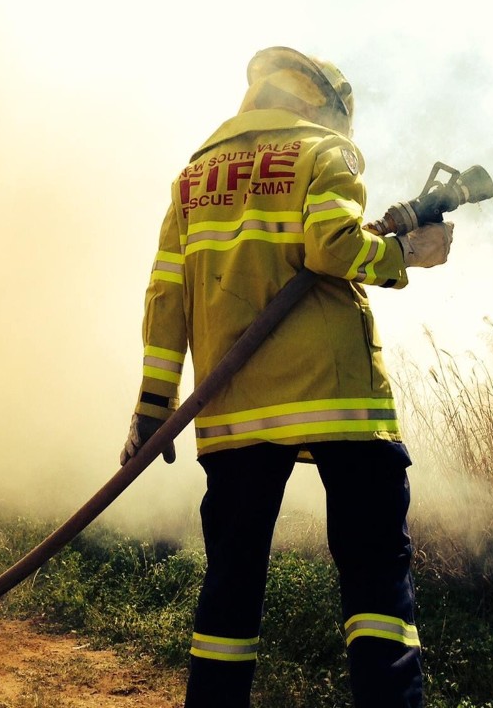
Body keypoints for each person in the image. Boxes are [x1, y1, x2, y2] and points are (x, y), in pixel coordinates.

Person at [119, 47, 454, 708]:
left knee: (231, 583)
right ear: (327, 106)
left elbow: (166, 298)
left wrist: (152, 408)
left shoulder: (193, 177)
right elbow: (331, 245)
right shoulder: (324, 151)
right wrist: (404, 253)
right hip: (339, 401)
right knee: (375, 578)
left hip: (235, 411)